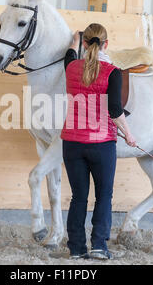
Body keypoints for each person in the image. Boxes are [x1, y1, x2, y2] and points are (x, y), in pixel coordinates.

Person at [61, 23, 137, 260]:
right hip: (101, 144)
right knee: (103, 195)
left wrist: (74, 42)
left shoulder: (72, 67)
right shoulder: (112, 72)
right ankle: (98, 246)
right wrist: (129, 134)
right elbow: (114, 110)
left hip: (72, 143)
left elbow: (70, 56)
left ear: (85, 43)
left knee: (78, 197)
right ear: (106, 44)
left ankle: (75, 248)